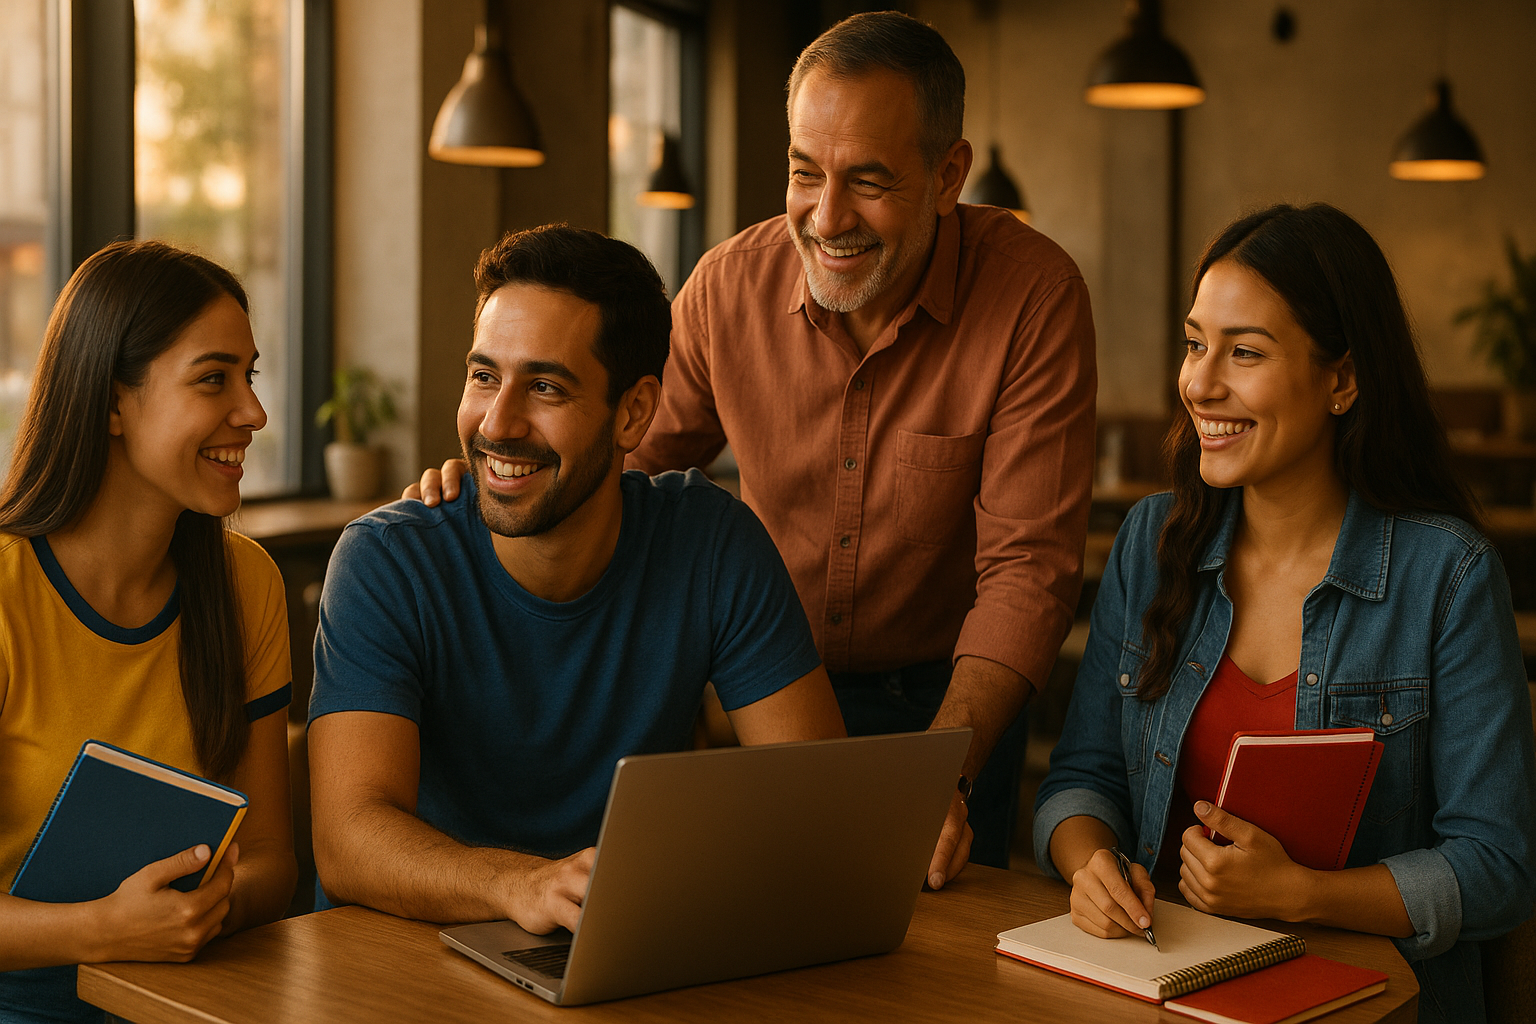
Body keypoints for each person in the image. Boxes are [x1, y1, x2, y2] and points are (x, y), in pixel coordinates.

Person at [409, 10, 1097, 887]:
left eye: (870, 181)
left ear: (948, 174)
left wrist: (940, 772)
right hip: (765, 693)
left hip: (952, 705)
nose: (828, 215)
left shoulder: (1034, 295)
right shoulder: (726, 288)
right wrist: (500, 480)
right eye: (805, 173)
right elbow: (617, 464)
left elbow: (1027, 568)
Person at [1034, 203, 1536, 1024]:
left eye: (1245, 352)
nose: (1199, 382)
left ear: (1342, 380)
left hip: (1364, 1004)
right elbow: (1080, 781)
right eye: (1196, 344)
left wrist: (1305, 895)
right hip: (1156, 986)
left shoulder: (1447, 575)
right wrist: (1091, 865)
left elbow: (1498, 867)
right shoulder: (1149, 543)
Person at [307, 225, 846, 932]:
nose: (498, 423)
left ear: (634, 413)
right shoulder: (387, 561)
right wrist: (521, 886)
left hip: (610, 947)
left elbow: (819, 802)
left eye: (546, 388)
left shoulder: (709, 542)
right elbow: (347, 842)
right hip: (410, 955)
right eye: (483, 376)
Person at [0, 241, 297, 1024]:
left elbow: (272, 861)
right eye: (213, 379)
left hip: (193, 995)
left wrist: (194, 912)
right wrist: (106, 928)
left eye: (250, 375)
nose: (254, 412)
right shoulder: (5, 595)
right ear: (111, 403)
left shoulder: (247, 584)